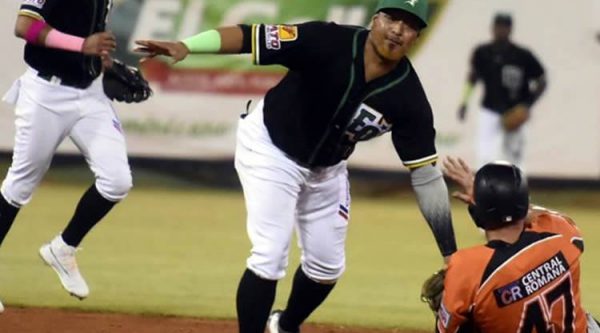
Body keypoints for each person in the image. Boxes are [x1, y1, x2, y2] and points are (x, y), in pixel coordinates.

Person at [136, 0, 457, 332]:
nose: (397, 30)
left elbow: (425, 174)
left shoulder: (408, 97)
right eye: (392, 18)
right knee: (269, 255)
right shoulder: (326, 40)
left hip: (327, 170)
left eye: (408, 25)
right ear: (375, 19)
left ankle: (284, 325)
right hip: (271, 149)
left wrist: (450, 253)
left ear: (416, 36)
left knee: (326, 269)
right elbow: (251, 36)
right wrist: (187, 46)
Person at [0, 0, 147, 311]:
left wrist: (104, 62)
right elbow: (25, 27)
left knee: (117, 181)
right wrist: (83, 45)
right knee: (19, 186)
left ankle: (63, 248)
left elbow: (91, 31)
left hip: (90, 94)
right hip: (45, 95)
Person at [436, 156, 600, 332]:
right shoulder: (562, 233)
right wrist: (505, 199)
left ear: (478, 212)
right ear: (524, 203)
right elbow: (543, 215)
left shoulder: (466, 267)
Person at [457, 13, 547, 168]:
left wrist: (527, 105)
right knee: (484, 157)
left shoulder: (522, 55)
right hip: (489, 110)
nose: (500, 30)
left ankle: (518, 192)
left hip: (514, 110)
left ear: (510, 29)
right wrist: (464, 101)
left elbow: (542, 80)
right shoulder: (482, 52)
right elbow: (473, 77)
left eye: (504, 27)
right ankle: (484, 191)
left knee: (515, 161)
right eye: (498, 26)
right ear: (492, 28)